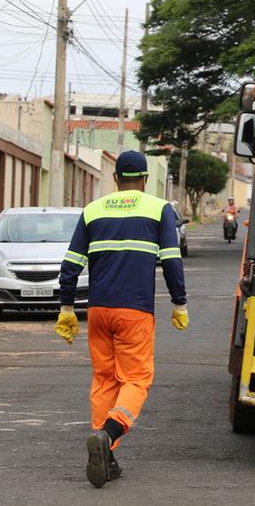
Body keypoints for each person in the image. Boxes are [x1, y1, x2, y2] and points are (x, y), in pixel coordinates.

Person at [55, 150, 189, 488]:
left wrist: (67, 308)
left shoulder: (93, 210)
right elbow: (171, 260)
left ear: (115, 179)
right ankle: (110, 431)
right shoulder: (159, 209)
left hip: (98, 310)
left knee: (105, 380)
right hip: (135, 310)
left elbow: (71, 263)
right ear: (144, 180)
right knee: (136, 379)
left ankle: (107, 455)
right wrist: (179, 302)